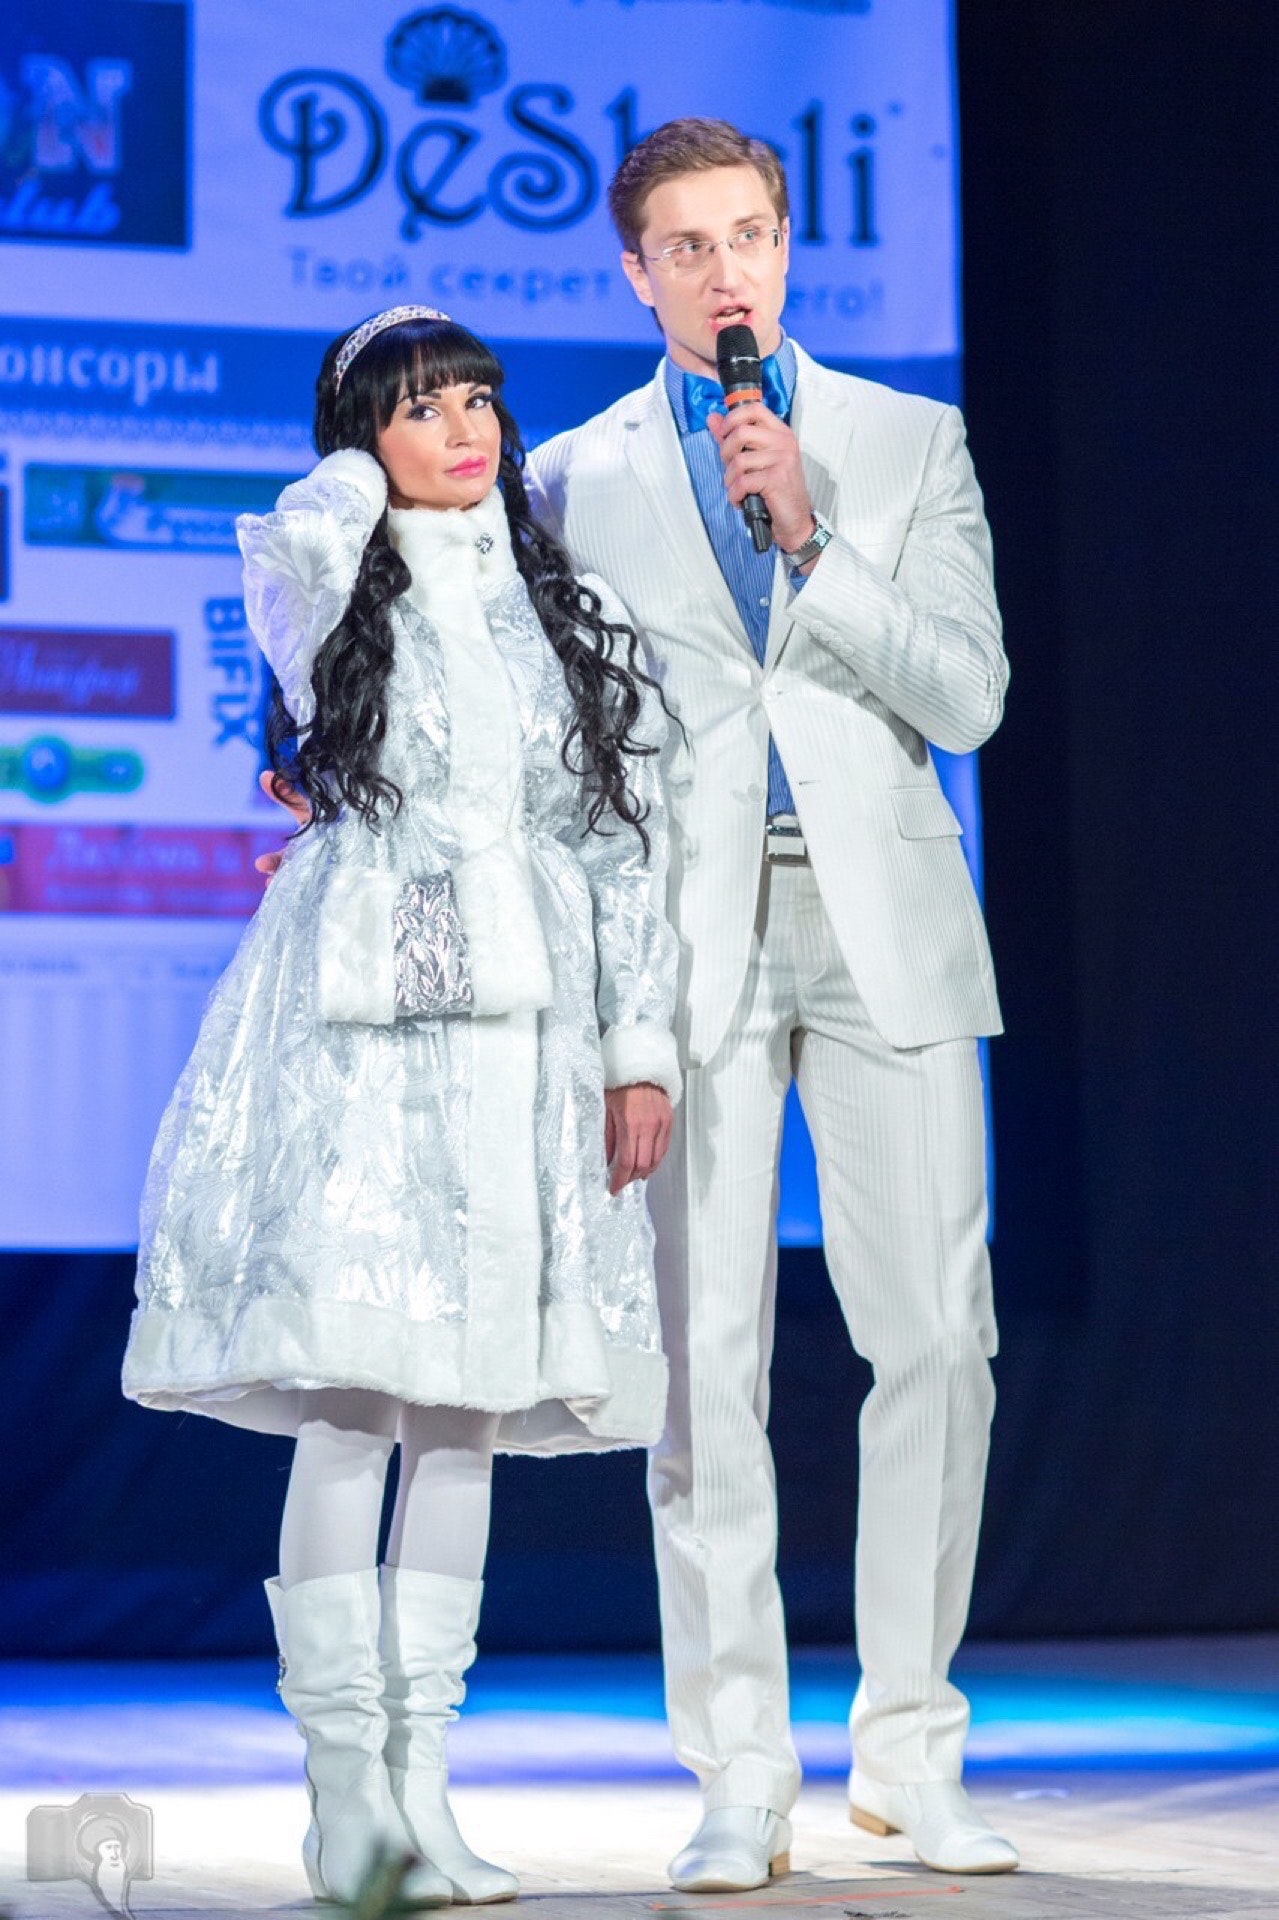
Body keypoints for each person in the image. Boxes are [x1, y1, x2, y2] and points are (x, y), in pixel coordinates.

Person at [120, 307, 681, 1908]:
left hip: (526, 1045)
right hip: (365, 1039)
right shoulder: (331, 582)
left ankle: (427, 1787)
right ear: (360, 440)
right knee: (360, 1398)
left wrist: (637, 1048)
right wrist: (359, 464)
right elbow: (300, 538)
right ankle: (345, 1796)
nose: (466, 429)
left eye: (481, 399)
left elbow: (618, 842)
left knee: (468, 1415)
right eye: (423, 408)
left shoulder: (563, 611)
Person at [524, 119, 1016, 1889]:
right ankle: (740, 1767)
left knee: (936, 1343)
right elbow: (570, 761)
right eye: (688, 246)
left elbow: (968, 698)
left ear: (787, 248)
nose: (725, 271)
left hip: (884, 921)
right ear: (637, 273)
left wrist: (812, 537)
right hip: (689, 946)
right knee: (702, 1368)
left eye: (749, 236)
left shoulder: (903, 440)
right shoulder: (571, 477)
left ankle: (910, 1750)